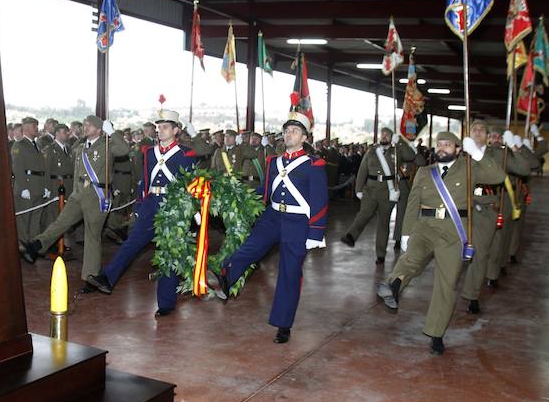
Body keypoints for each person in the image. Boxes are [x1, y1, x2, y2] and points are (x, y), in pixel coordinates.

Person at [377, 131, 504, 355]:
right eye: (439, 144)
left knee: (446, 284)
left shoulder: (469, 169)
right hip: (425, 227)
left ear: (458, 149)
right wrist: (406, 233)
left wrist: (477, 154)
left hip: (454, 232)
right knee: (412, 257)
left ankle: (436, 333)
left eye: (447, 145)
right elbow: (413, 203)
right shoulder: (425, 172)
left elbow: (498, 177)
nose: (442, 148)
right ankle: (394, 286)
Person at [211, 112, 328, 344]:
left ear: (304, 137)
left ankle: (283, 324)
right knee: (249, 248)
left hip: (297, 222)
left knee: (289, 273)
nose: (289, 134)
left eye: (294, 131)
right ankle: (226, 277)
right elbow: (265, 191)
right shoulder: (274, 161)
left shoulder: (314, 164)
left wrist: (315, 232)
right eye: (286, 131)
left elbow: (320, 199)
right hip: (273, 216)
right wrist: (236, 196)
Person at [85, 110, 201, 316]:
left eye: (165, 127)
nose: (160, 131)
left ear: (176, 130)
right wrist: (139, 206)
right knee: (131, 243)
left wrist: (193, 209)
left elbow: (192, 183)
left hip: (173, 207)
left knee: (168, 253)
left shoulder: (185, 154)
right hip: (150, 205)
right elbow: (144, 181)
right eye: (158, 127)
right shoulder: (149, 152)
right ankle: (107, 279)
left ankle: (166, 303)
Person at [23, 115, 130, 286]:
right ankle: (36, 246)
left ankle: (90, 276)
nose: (85, 127)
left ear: (99, 129)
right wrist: (73, 192)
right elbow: (77, 172)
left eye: (90, 125)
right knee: (61, 223)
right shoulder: (80, 147)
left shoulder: (107, 146)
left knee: (92, 236)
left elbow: (124, 150)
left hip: (96, 195)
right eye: (85, 124)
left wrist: (112, 132)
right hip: (78, 194)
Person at [460, 122, 529, 311]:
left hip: (485, 208)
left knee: (479, 253)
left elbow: (525, 169)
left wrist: (514, 147)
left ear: (488, 136)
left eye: (482, 130)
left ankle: (472, 295)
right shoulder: (460, 153)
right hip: (460, 207)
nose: (478, 132)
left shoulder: (498, 154)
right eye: (474, 129)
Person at [340, 127, 419, 264]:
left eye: (387, 135)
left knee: (384, 222)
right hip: (370, 189)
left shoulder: (397, 151)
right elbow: (362, 170)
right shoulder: (372, 151)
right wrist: (358, 189)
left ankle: (380, 253)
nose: (384, 136)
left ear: (391, 137)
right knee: (364, 213)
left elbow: (411, 156)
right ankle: (351, 236)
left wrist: (400, 141)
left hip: (387, 191)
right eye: (382, 134)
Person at [11, 117, 49, 252]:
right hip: (27, 186)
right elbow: (18, 168)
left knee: (35, 218)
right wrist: (23, 188)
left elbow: (42, 168)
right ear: (26, 128)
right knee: (24, 218)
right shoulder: (19, 145)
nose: (37, 129)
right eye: (34, 126)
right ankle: (22, 245)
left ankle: (33, 244)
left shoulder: (36, 145)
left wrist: (45, 186)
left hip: (38, 186)